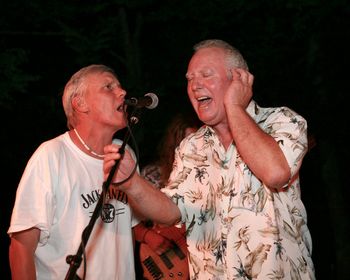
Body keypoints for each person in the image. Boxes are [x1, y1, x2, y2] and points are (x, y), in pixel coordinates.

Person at [103, 39, 315, 279]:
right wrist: (132, 183)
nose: (194, 85)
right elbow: (172, 211)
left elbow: (276, 173)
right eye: (190, 79)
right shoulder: (191, 146)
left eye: (205, 74)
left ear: (239, 80)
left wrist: (234, 105)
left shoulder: (282, 121)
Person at [8, 64, 144, 279]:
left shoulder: (125, 154)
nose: (122, 92)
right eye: (108, 86)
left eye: (120, 86)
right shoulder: (52, 155)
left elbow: (134, 231)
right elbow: (21, 247)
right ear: (80, 104)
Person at [135, 112, 201, 279]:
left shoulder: (208, 177)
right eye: (186, 143)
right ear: (174, 145)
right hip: (164, 257)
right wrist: (148, 236)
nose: (192, 149)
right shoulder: (152, 175)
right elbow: (127, 221)